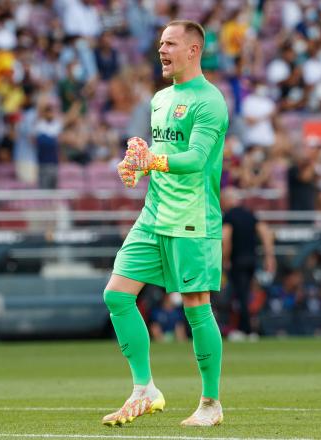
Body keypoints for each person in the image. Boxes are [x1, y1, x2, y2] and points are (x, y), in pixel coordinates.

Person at [103, 20, 228, 427]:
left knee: (196, 308)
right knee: (117, 296)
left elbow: (195, 158)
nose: (162, 50)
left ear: (193, 50)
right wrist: (138, 162)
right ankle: (144, 390)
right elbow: (163, 149)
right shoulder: (159, 99)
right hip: (153, 215)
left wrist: (153, 161)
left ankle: (211, 404)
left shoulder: (210, 101)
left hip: (192, 219)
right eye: (160, 43)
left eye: (171, 44)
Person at [221, 189, 275, 341]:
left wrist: (225, 260)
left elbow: (226, 238)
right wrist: (269, 256)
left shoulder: (229, 216)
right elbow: (265, 232)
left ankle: (246, 330)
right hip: (252, 260)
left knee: (241, 296)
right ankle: (248, 328)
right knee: (245, 294)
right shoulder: (249, 214)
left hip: (237, 261)